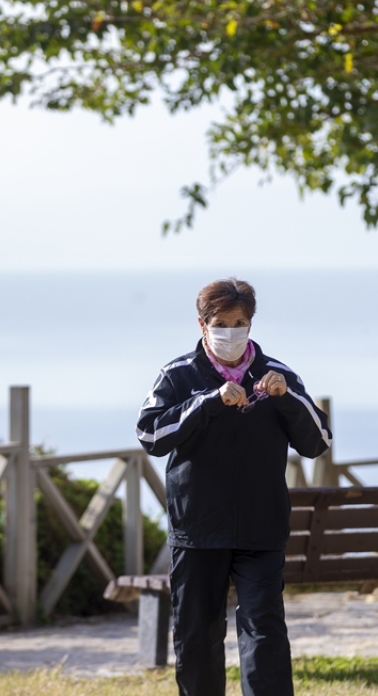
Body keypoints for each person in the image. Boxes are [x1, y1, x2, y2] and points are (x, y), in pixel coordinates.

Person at [136, 278, 332, 696]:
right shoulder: (178, 375)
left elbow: (319, 442)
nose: (231, 331)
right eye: (221, 323)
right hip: (198, 531)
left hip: (260, 529)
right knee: (197, 637)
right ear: (202, 324)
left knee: (264, 632)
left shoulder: (278, 375)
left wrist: (287, 399)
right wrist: (208, 402)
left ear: (251, 323)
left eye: (240, 322)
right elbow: (151, 436)